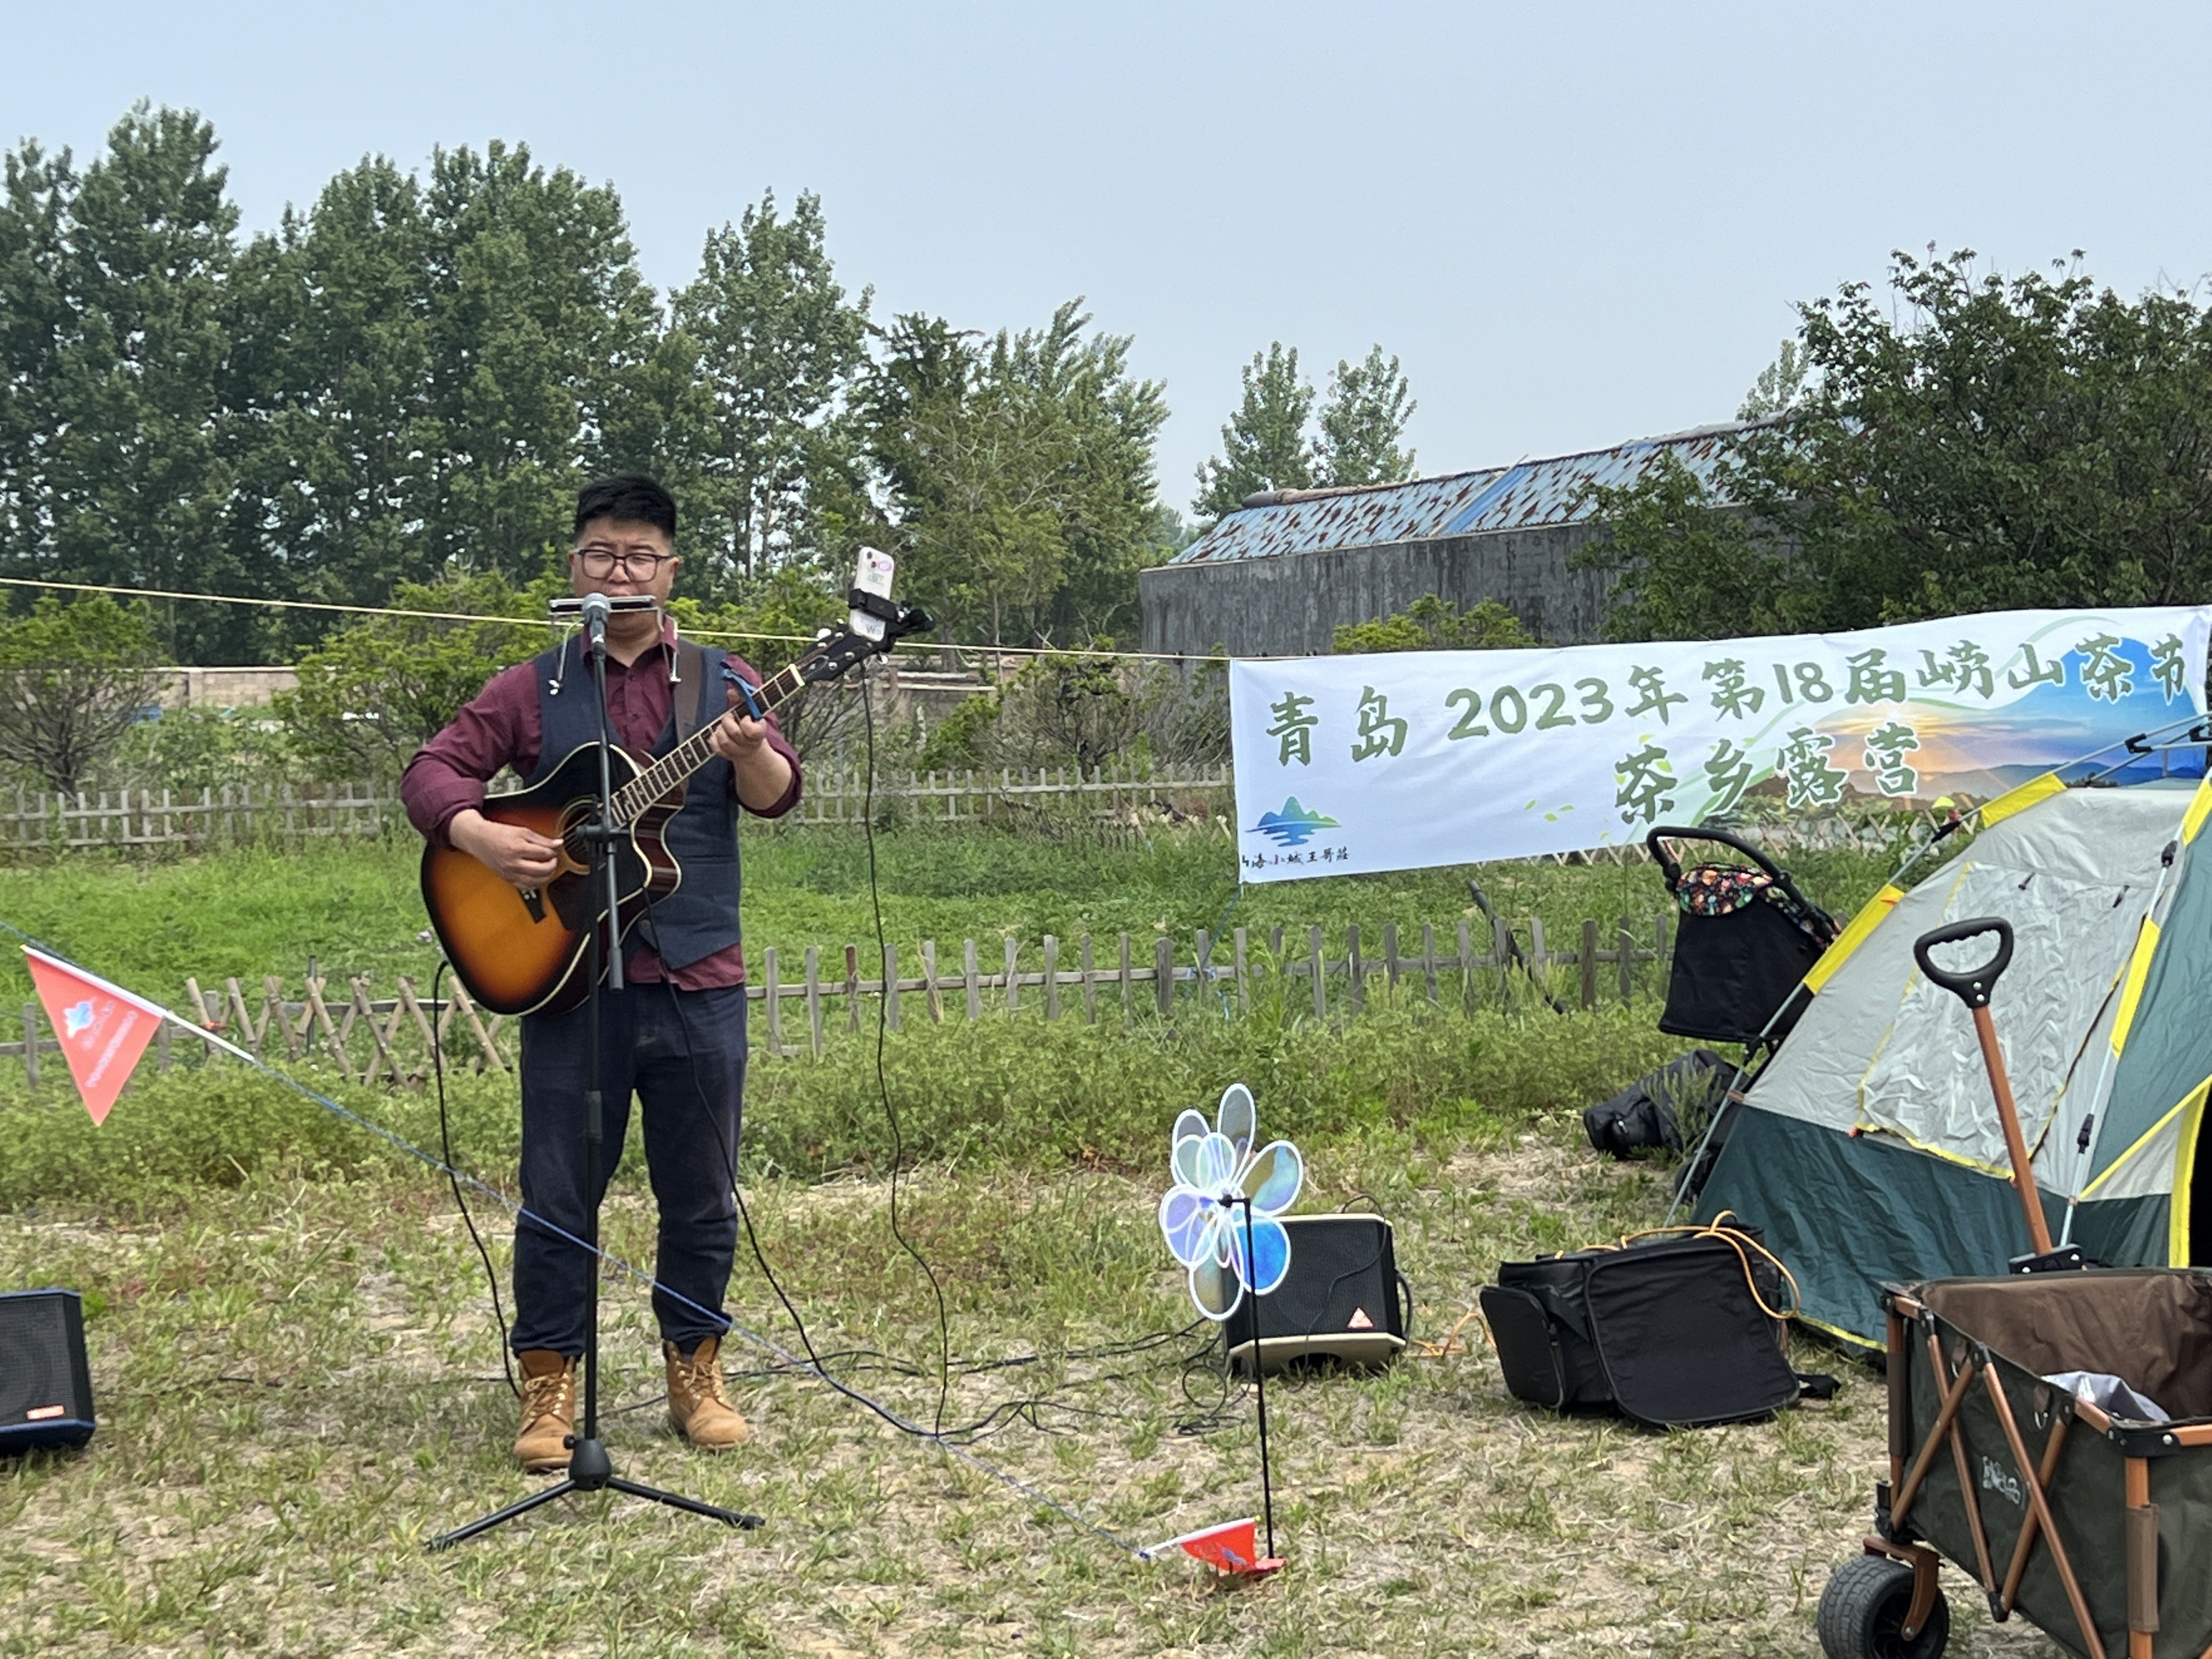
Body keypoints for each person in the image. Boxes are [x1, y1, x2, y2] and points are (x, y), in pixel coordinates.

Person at [402, 475, 802, 1473]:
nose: (618, 572)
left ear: (671, 572)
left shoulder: (725, 680)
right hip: (567, 981)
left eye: (639, 558)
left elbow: (778, 793)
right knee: (558, 1191)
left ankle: (695, 1373)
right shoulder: (531, 684)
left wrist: (749, 752)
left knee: (702, 1192)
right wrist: (481, 836)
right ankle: (548, 1390)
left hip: (699, 975)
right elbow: (432, 772)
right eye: (600, 555)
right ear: (574, 565)